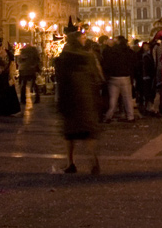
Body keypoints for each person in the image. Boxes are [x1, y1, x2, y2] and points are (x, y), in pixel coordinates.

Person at [54, 21, 103, 174]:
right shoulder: (88, 57)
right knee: (88, 134)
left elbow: (60, 79)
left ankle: (71, 163)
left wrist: (60, 102)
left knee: (69, 135)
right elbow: (98, 78)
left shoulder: (65, 57)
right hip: (87, 100)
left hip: (70, 99)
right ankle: (94, 161)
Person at [101, 34, 136, 122]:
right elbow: (133, 63)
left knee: (113, 98)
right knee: (127, 97)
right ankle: (130, 116)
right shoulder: (128, 51)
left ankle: (109, 115)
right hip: (125, 76)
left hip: (114, 77)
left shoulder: (112, 51)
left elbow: (107, 64)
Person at [0, 38, 21, 116]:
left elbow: (12, 62)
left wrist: (12, 72)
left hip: (7, 74)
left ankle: (10, 110)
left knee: (9, 92)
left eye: (0, 45)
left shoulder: (7, 52)